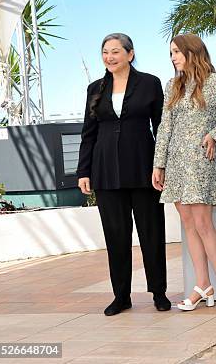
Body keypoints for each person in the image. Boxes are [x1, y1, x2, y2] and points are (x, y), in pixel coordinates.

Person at [77, 33, 170, 316]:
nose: (109, 57)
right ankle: (121, 296)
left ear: (130, 54)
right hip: (105, 172)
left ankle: (159, 292)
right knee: (116, 236)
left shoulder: (150, 83)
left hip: (143, 169)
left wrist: (161, 164)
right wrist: (84, 171)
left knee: (151, 232)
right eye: (105, 52)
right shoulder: (95, 88)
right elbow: (88, 133)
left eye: (116, 51)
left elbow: (161, 127)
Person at [152, 34, 216, 313]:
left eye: (177, 51)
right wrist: (158, 164)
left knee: (203, 225)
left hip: (199, 161)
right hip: (175, 163)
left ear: (192, 52)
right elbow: (164, 126)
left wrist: (215, 133)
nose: (173, 57)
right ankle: (202, 285)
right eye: (171, 53)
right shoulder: (173, 86)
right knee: (188, 226)